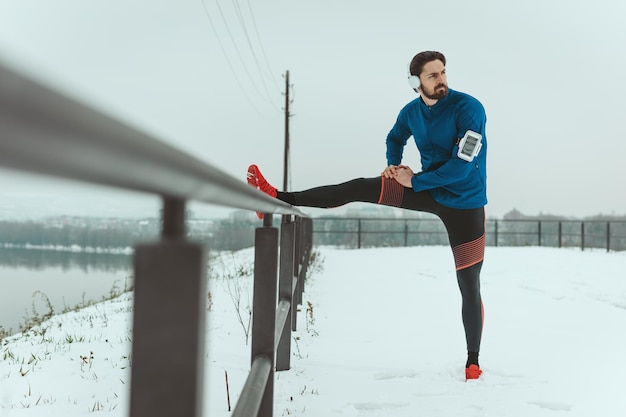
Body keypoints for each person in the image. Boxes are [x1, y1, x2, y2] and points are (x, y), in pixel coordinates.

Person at [247, 50, 487, 380]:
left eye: (443, 72)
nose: (442, 79)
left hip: (465, 203)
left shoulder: (469, 109)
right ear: (416, 83)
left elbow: (463, 165)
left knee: (468, 283)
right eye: (433, 75)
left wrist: (414, 179)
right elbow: (395, 137)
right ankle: (275, 196)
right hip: (425, 189)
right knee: (358, 186)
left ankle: (472, 361)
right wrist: (393, 163)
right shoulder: (410, 113)